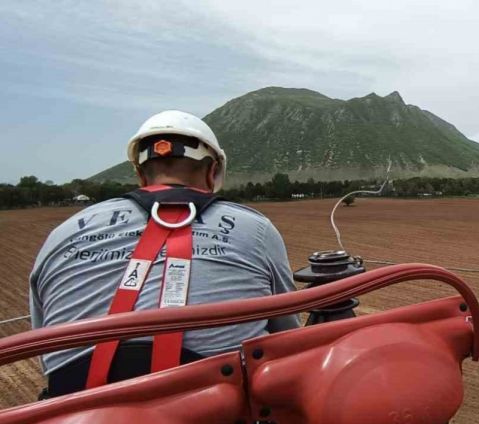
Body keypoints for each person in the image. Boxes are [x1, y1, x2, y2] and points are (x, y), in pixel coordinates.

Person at [29, 110, 299, 396]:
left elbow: (46, 343)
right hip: (215, 412)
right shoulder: (255, 228)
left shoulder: (63, 233)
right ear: (213, 171)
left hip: (76, 415)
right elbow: (287, 337)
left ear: (139, 174)